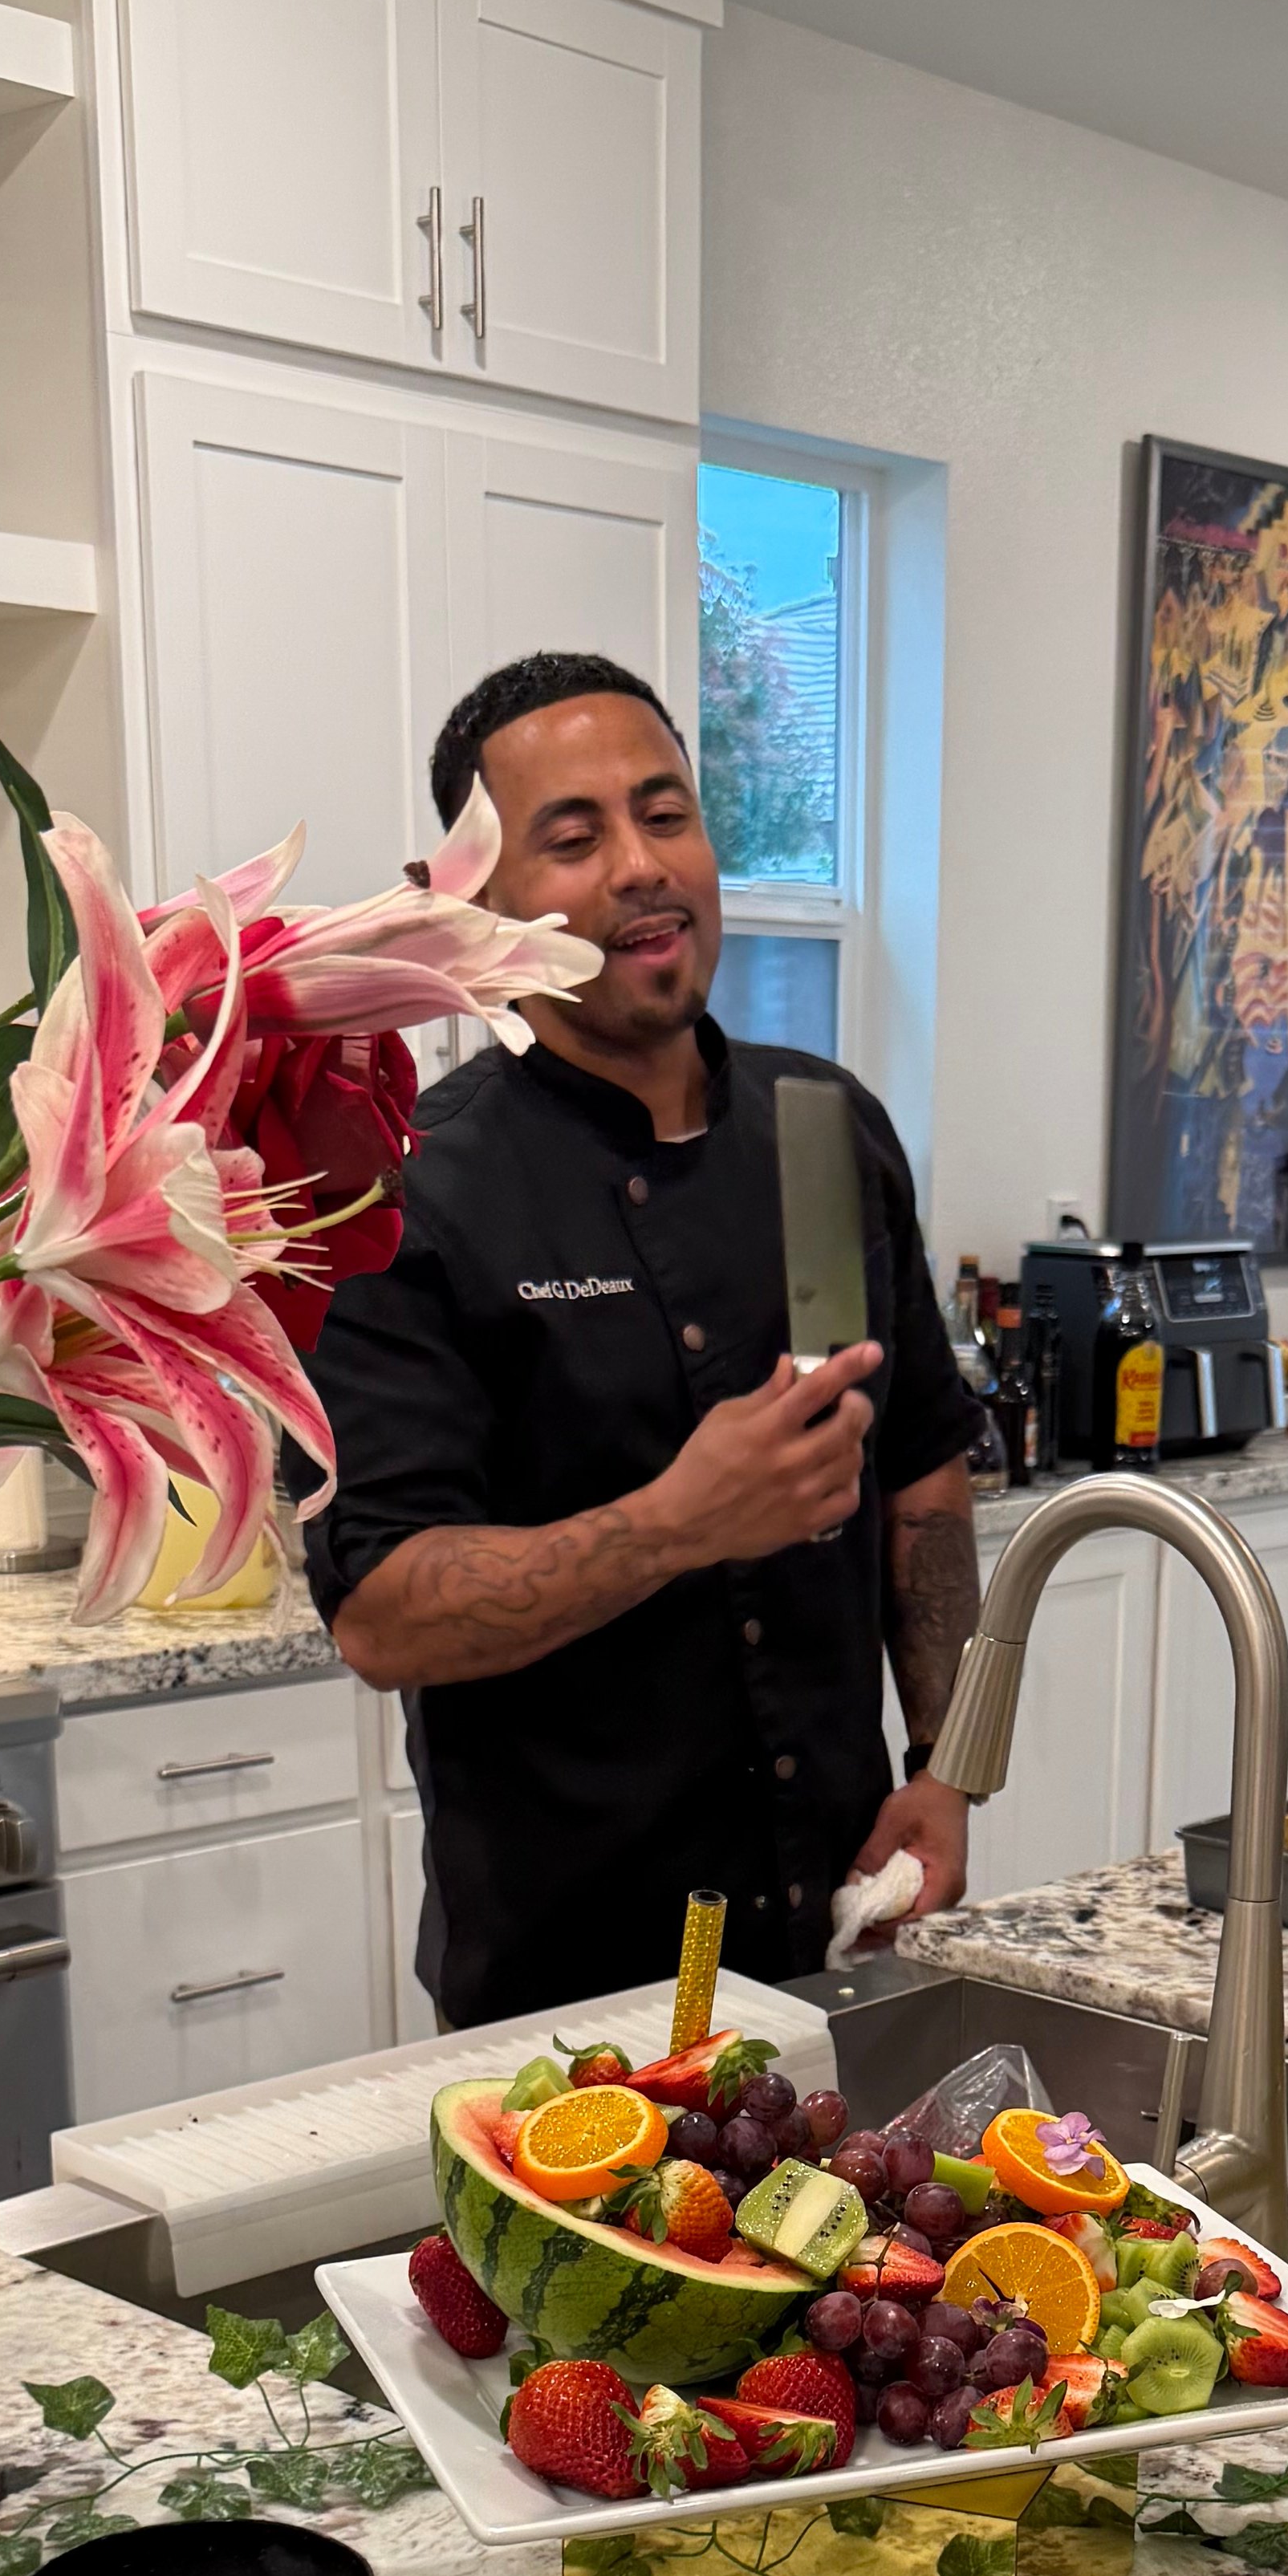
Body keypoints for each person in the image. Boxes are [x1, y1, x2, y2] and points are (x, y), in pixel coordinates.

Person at [303, 651, 980, 2030]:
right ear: (472, 905)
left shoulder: (819, 1134)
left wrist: (951, 1761)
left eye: (664, 815)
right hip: (568, 1994)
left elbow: (919, 1480)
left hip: (841, 1933)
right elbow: (382, 1612)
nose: (638, 867)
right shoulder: (409, 1193)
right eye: (573, 837)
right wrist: (680, 1521)